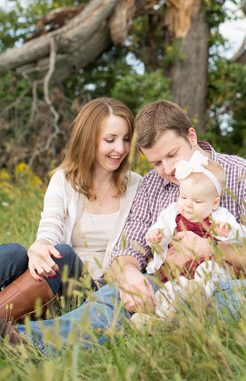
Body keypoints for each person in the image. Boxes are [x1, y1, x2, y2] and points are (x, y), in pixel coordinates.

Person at [0, 100, 246, 351]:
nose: (168, 170)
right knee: (115, 294)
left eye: (172, 155)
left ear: (191, 137)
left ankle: (160, 332)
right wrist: (130, 275)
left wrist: (212, 250)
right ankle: (26, 342)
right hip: (164, 284)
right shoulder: (152, 185)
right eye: (156, 162)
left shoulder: (245, 175)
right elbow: (126, 248)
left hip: (219, 286)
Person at [0, 97, 141, 324]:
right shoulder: (64, 180)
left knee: (63, 254)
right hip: (52, 282)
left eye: (126, 139)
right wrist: (40, 246)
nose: (121, 148)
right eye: (110, 140)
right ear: (88, 139)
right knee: (14, 252)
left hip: (93, 291)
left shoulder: (137, 186)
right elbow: (51, 225)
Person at [131, 151, 246, 323]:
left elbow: (242, 237)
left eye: (197, 201)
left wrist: (229, 232)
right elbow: (160, 228)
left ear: (214, 203)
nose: (187, 204)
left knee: (209, 270)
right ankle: (161, 320)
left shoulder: (220, 216)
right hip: (180, 273)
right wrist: (156, 235)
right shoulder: (172, 212)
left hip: (208, 267)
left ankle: (198, 295)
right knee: (171, 287)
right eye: (183, 197)